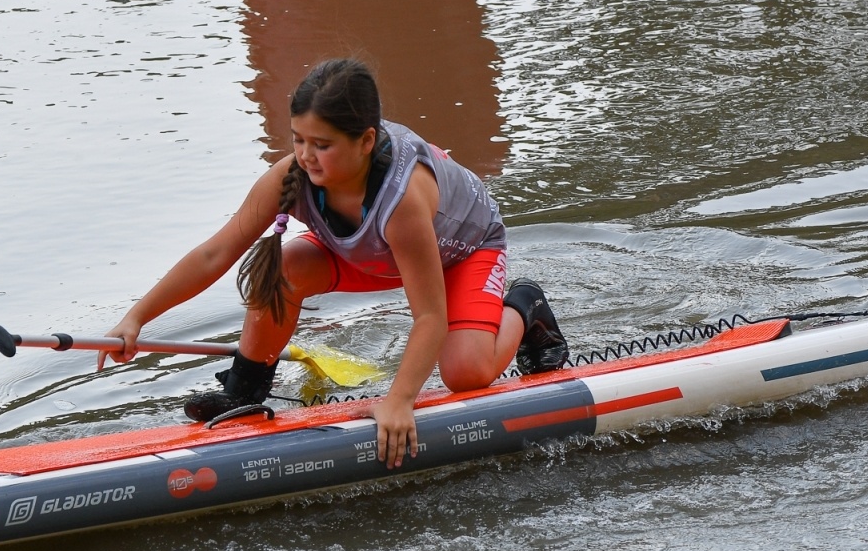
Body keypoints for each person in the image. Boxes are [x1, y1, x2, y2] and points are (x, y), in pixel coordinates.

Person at [102, 58, 567, 470]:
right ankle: (244, 391)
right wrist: (136, 319)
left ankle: (524, 308)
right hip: (373, 255)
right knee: (282, 267)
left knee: (465, 374)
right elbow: (214, 253)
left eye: (321, 145)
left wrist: (398, 401)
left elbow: (429, 316)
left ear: (366, 141)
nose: (306, 156)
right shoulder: (291, 175)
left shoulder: (403, 200)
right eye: (298, 139)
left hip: (463, 251)